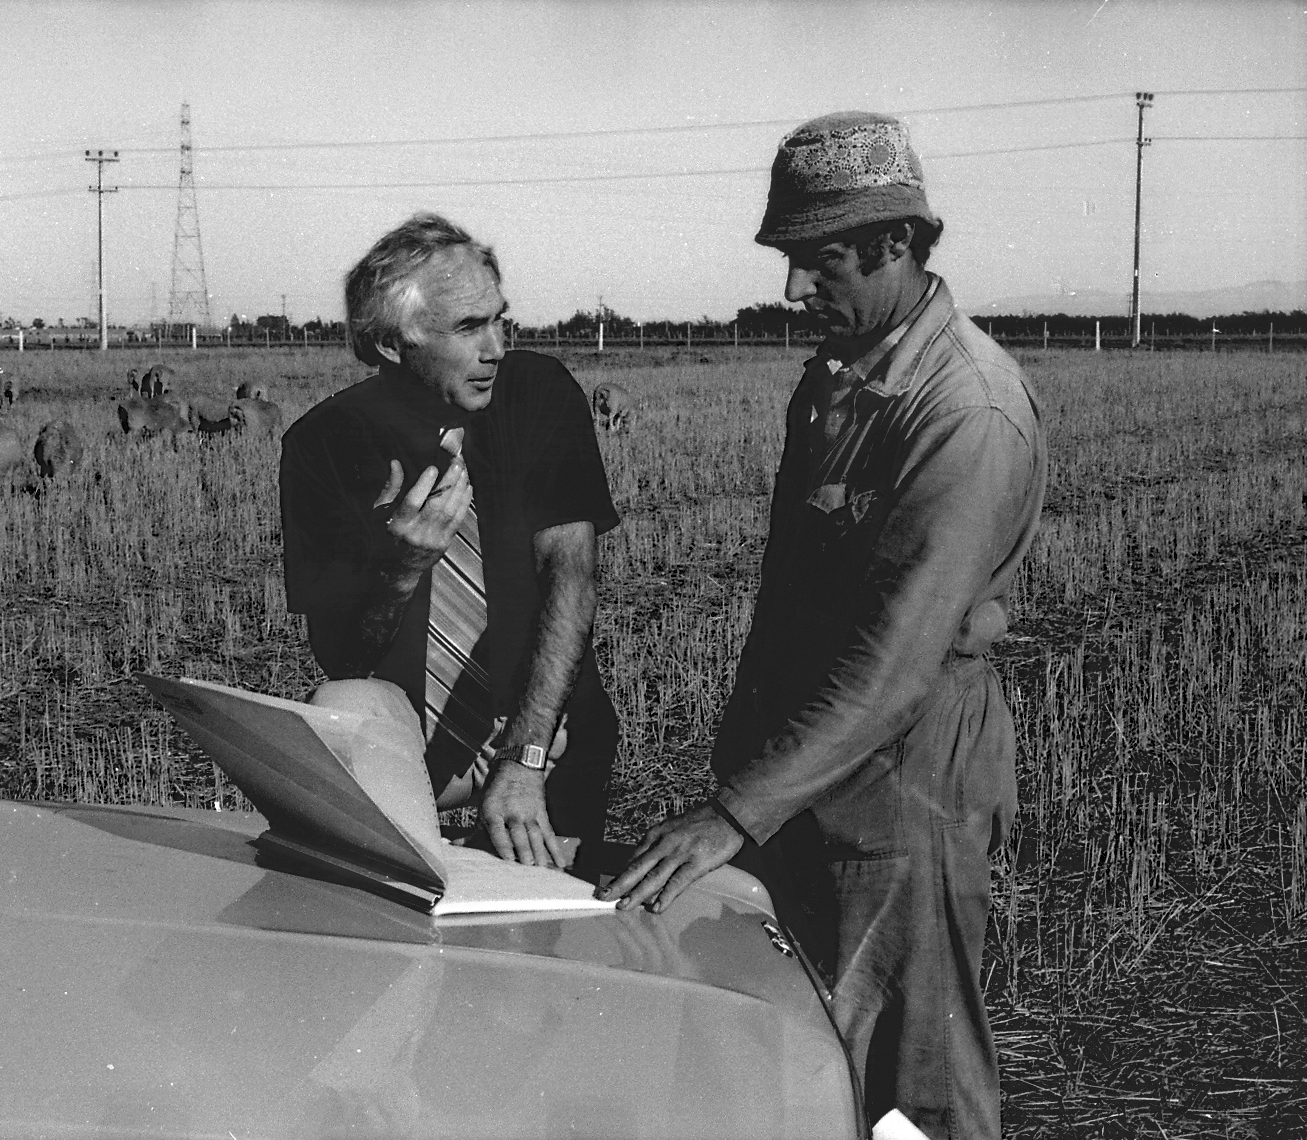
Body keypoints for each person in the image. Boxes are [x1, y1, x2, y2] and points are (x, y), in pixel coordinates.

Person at [600, 112, 1047, 1140]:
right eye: (792, 262)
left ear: (896, 244)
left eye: (821, 260)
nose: (797, 290)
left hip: (907, 783)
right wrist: (749, 772)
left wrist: (735, 811)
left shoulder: (963, 412)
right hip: (808, 764)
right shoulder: (842, 377)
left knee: (911, 1084)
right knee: (799, 1062)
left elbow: (895, 664)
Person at [280, 213, 620, 867]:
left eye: (500, 319)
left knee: (545, 922)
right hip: (411, 735)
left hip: (546, 725)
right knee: (343, 717)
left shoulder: (537, 394)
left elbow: (570, 573)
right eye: (469, 328)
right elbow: (344, 657)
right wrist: (401, 565)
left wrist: (524, 758)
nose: (496, 347)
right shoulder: (323, 444)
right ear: (390, 344)